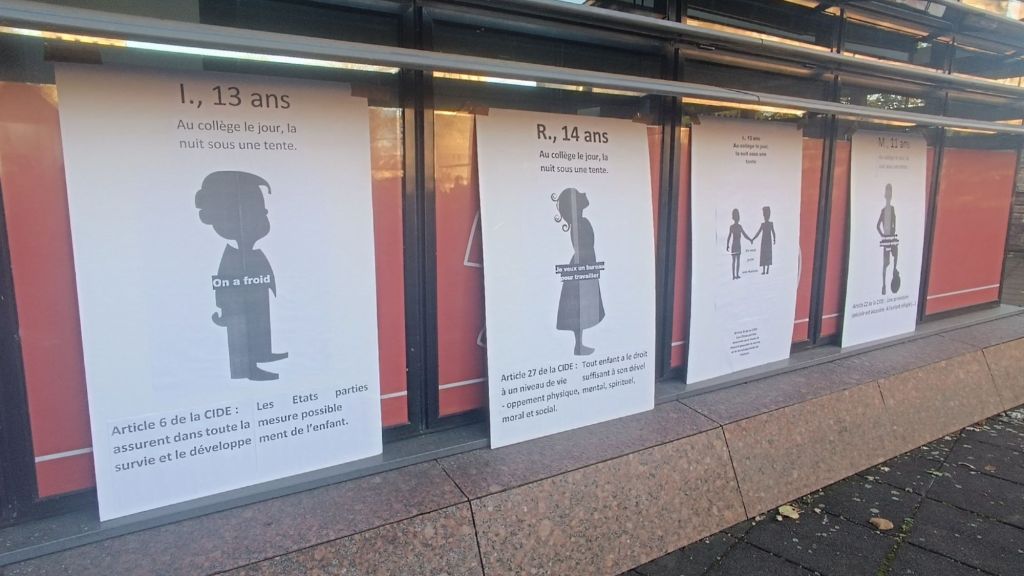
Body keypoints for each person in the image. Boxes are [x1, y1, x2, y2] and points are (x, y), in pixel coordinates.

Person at [196, 171, 288, 381]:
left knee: (260, 322)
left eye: (263, 212)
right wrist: (223, 308)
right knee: (240, 332)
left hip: (258, 295)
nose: (263, 218)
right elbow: (222, 282)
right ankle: (245, 370)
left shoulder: (253, 253)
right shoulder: (231, 257)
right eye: (257, 213)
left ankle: (263, 352)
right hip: (235, 307)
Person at [554, 188, 604, 356]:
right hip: (583, 264)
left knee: (582, 307)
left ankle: (579, 345)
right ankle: (578, 346)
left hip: (585, 264)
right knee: (578, 308)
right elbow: (584, 246)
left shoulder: (580, 223)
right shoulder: (580, 223)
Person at [876, 183, 899, 295]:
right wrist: (883, 235)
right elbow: (877, 226)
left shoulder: (892, 209)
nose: (889, 194)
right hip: (886, 239)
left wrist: (893, 234)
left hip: (892, 238)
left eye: (890, 192)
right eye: (887, 192)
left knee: (895, 257)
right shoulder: (883, 210)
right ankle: (884, 286)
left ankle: (894, 274)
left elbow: (894, 223)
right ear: (885, 194)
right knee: (885, 263)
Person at [726, 208, 753, 280]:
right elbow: (729, 236)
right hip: (736, 245)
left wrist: (750, 239)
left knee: (736, 261)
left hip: (736, 246)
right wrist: (727, 245)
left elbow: (744, 235)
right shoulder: (735, 227)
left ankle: (735, 275)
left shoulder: (736, 227)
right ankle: (735, 275)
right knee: (736, 261)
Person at [750, 206, 776, 275]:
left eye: (766, 215)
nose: (765, 217)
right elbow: (758, 233)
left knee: (767, 255)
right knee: (764, 255)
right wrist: (753, 239)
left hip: (767, 241)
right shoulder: (763, 224)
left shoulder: (770, 224)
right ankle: (764, 270)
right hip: (764, 242)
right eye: (764, 215)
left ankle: (767, 270)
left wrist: (774, 239)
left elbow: (773, 232)